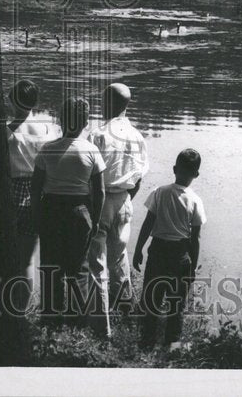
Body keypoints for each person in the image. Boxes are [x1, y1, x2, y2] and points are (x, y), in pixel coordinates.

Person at [31, 97, 105, 326]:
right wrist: (96, 221)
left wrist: (37, 216)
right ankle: (77, 321)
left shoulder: (47, 149)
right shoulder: (91, 150)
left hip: (51, 209)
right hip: (79, 212)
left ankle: (51, 320)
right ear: (85, 123)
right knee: (79, 268)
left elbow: (35, 189)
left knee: (51, 267)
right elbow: (99, 192)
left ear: (61, 120)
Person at [85, 82, 149, 336]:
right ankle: (127, 316)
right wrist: (126, 197)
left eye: (103, 101)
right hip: (125, 200)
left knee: (97, 265)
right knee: (119, 260)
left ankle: (102, 328)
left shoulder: (97, 134)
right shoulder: (137, 136)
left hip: (101, 201)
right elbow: (140, 176)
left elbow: (90, 175)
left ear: (108, 103)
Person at [132, 148, 206, 349]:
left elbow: (148, 223)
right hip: (180, 255)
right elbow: (196, 238)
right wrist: (192, 267)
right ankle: (171, 344)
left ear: (175, 169)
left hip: (157, 251)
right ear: (196, 174)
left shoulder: (159, 192)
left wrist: (138, 250)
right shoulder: (195, 200)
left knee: (151, 299)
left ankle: (146, 341)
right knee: (177, 304)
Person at [6, 79, 60, 305]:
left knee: (13, 258)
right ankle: (23, 309)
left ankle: (13, 306)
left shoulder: (7, 131)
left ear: (11, 101)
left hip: (13, 191)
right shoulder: (48, 129)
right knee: (28, 259)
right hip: (41, 192)